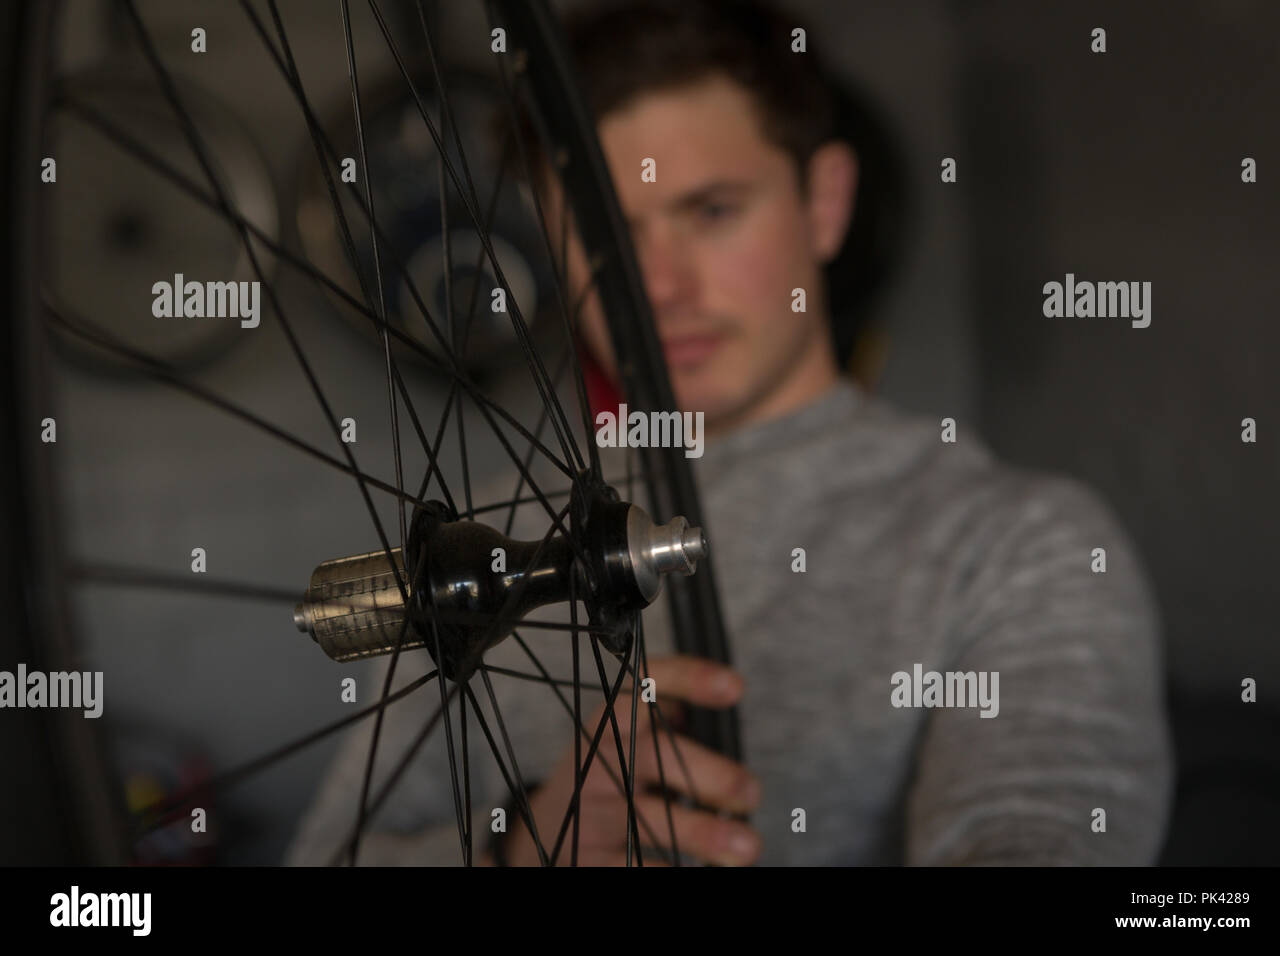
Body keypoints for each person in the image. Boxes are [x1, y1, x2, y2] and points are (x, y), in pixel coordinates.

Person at [287, 0, 1172, 866]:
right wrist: (521, 847)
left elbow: (1032, 826)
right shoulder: (470, 543)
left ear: (824, 202)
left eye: (711, 212)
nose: (657, 286)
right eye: (607, 238)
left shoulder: (1020, 543)